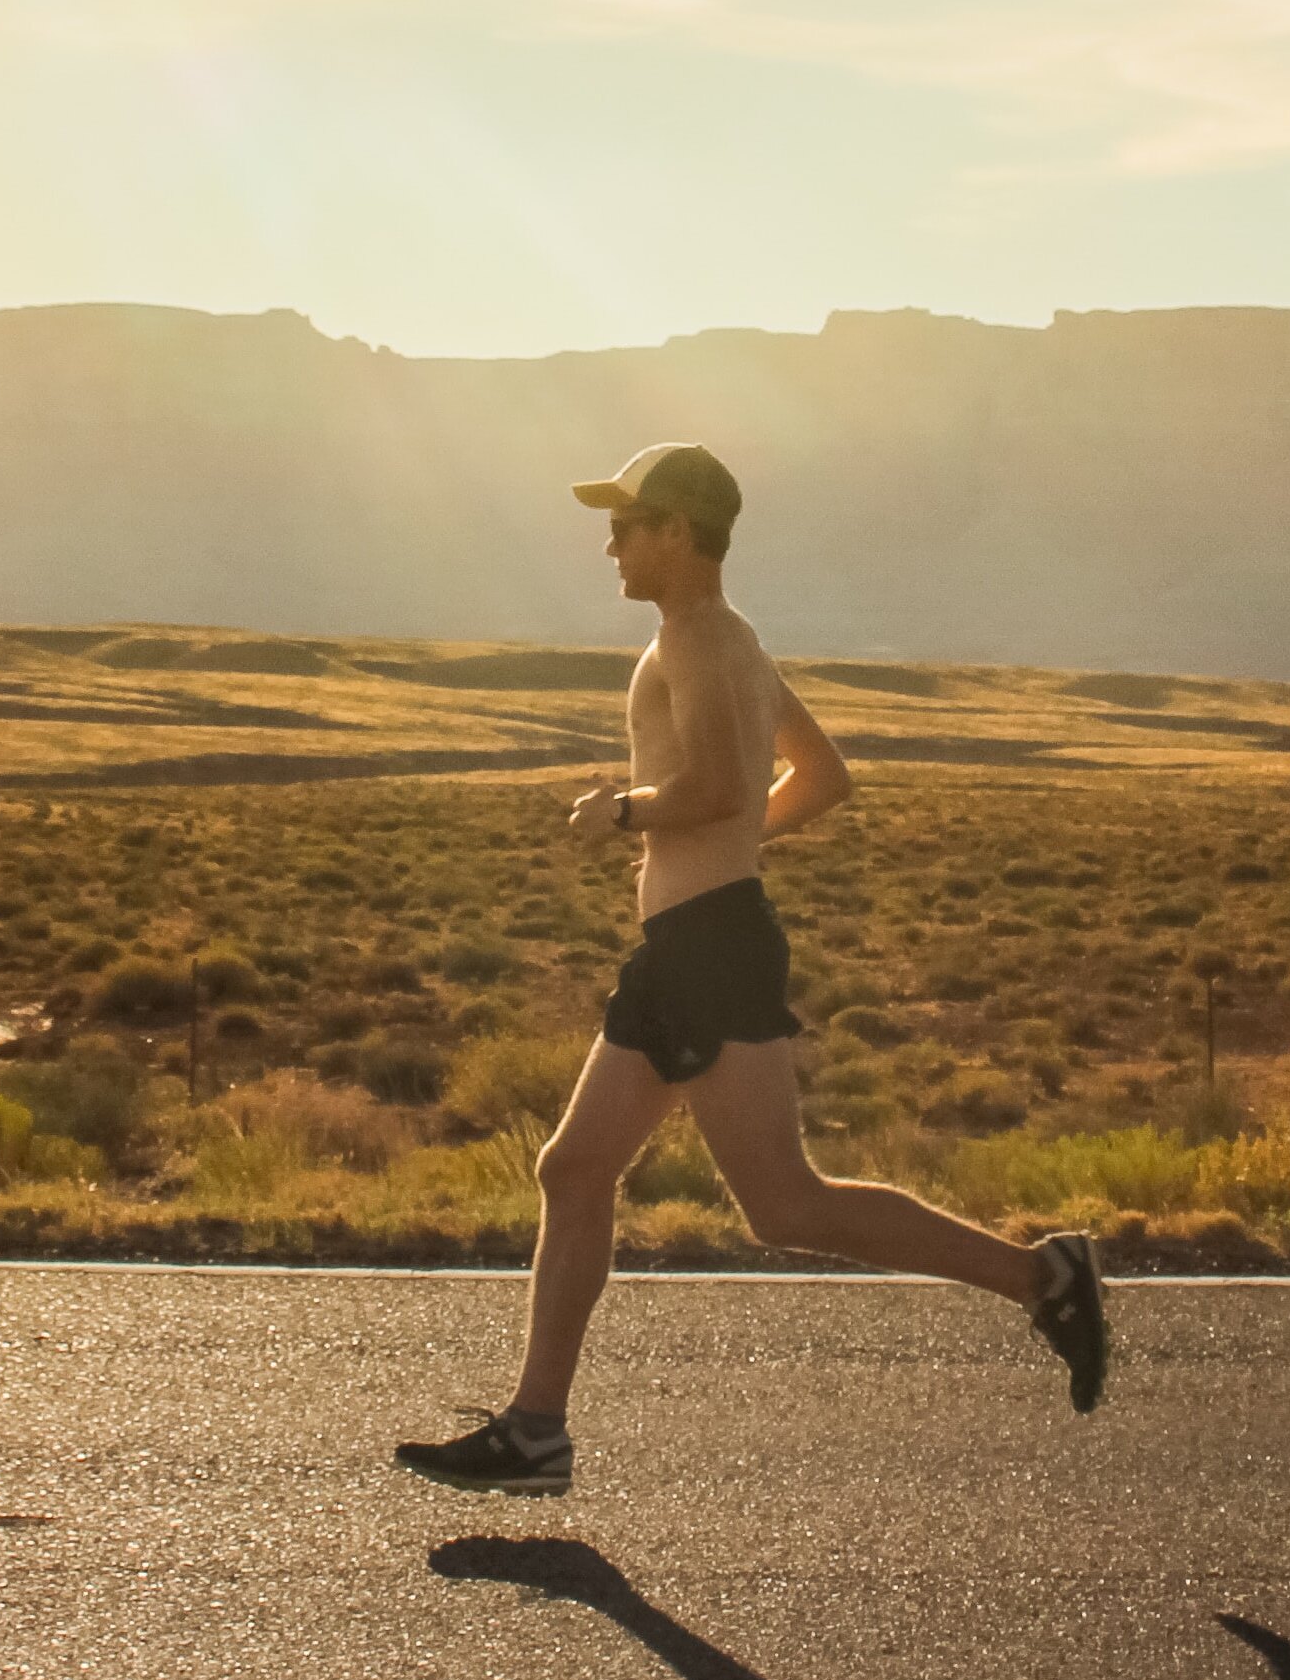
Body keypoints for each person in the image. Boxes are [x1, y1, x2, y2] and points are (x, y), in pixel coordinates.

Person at [393, 441, 1110, 1497]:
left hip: (713, 949)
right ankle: (536, 1429)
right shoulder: (734, 640)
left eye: (626, 524)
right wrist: (726, 854)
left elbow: (724, 783)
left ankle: (1042, 1275)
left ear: (676, 532)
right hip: (689, 942)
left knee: (783, 1205)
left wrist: (626, 813)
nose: (610, 543)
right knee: (574, 1168)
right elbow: (819, 778)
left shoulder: (696, 640)